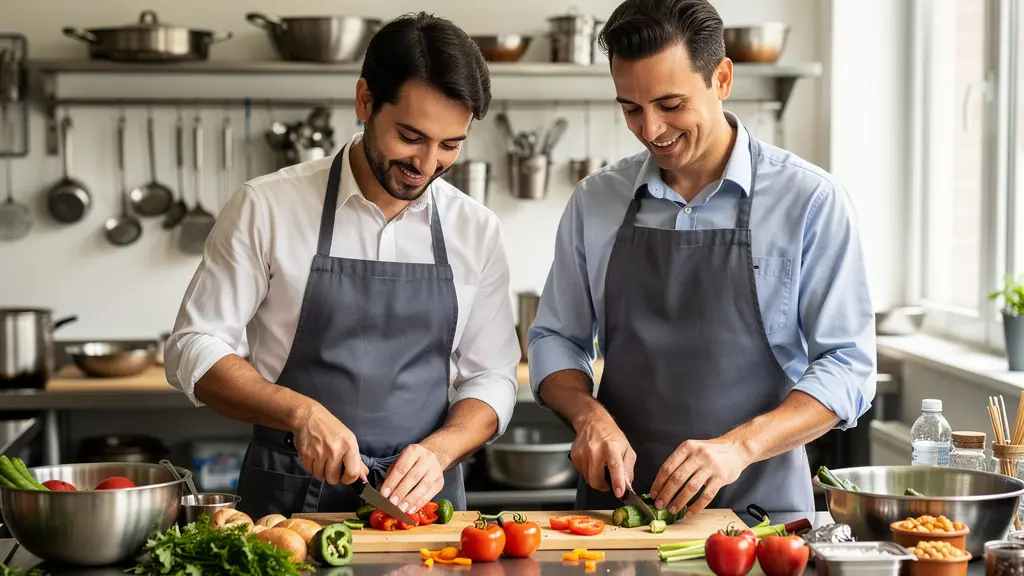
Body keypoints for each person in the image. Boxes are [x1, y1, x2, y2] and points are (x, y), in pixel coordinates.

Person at [164, 12, 520, 520]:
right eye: (410, 137)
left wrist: (441, 450)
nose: (426, 165)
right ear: (364, 101)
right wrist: (299, 412)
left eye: (450, 145)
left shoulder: (476, 229)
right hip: (286, 503)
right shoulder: (267, 206)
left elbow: (493, 377)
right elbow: (193, 346)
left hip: (420, 506)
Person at [527, 0, 876, 518]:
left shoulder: (810, 200)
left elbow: (848, 365)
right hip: (622, 512)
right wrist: (587, 416)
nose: (651, 129)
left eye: (671, 104)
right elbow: (555, 338)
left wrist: (741, 446)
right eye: (631, 109)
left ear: (722, 78)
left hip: (762, 517)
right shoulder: (596, 200)